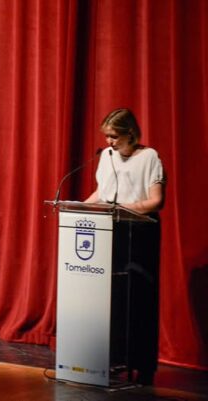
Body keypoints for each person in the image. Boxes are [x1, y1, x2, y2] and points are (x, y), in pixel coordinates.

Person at [84, 108, 165, 385]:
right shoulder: (106, 157)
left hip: (140, 234)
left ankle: (143, 365)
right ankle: (113, 358)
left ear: (130, 133)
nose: (109, 142)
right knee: (112, 298)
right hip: (111, 231)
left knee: (139, 300)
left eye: (114, 136)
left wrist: (122, 207)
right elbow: (101, 193)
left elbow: (156, 201)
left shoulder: (149, 157)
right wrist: (80, 208)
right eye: (107, 136)